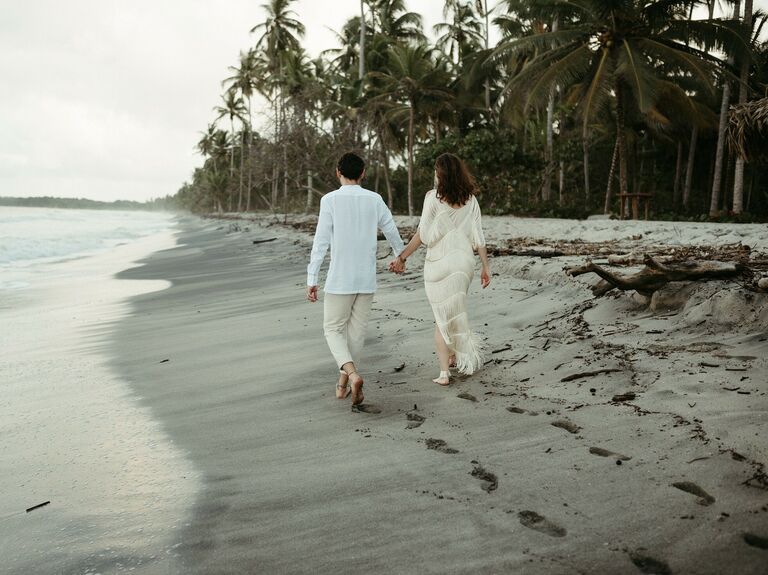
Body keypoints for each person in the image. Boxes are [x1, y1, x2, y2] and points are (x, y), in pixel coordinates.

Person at [307, 152, 405, 405]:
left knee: (332, 329)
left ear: (338, 172)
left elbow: (321, 242)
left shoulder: (329, 200)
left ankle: (351, 375)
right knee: (356, 334)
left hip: (340, 278)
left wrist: (312, 277)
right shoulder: (374, 199)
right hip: (366, 278)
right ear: (362, 173)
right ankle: (343, 383)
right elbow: (390, 229)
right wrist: (400, 257)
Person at [389, 152, 490, 386]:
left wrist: (402, 257)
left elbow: (422, 235)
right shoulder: (471, 200)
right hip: (464, 264)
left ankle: (444, 373)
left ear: (440, 174)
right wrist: (486, 267)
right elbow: (479, 237)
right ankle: (455, 354)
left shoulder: (432, 198)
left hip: (439, 265)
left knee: (441, 316)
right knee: (456, 309)